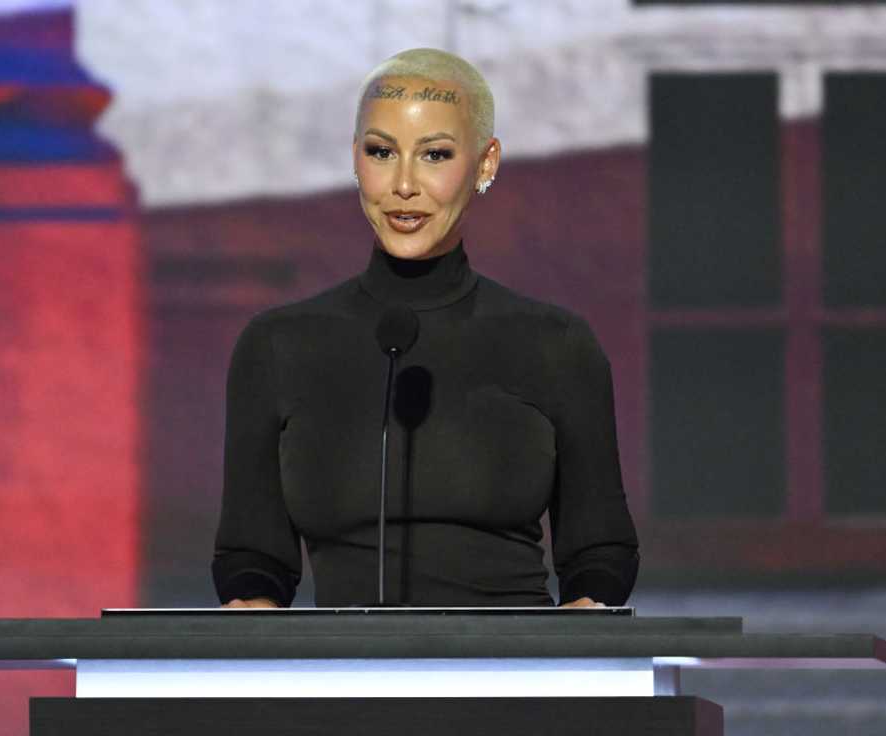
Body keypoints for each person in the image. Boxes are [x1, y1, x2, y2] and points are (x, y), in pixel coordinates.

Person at [212, 47, 638, 609]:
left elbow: (600, 555)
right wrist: (254, 619)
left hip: (516, 684)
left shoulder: (555, 344)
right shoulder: (277, 346)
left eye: (435, 154)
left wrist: (573, 645)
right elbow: (252, 560)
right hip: (341, 685)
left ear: (486, 163)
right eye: (381, 152)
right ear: (355, 158)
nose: (404, 184)